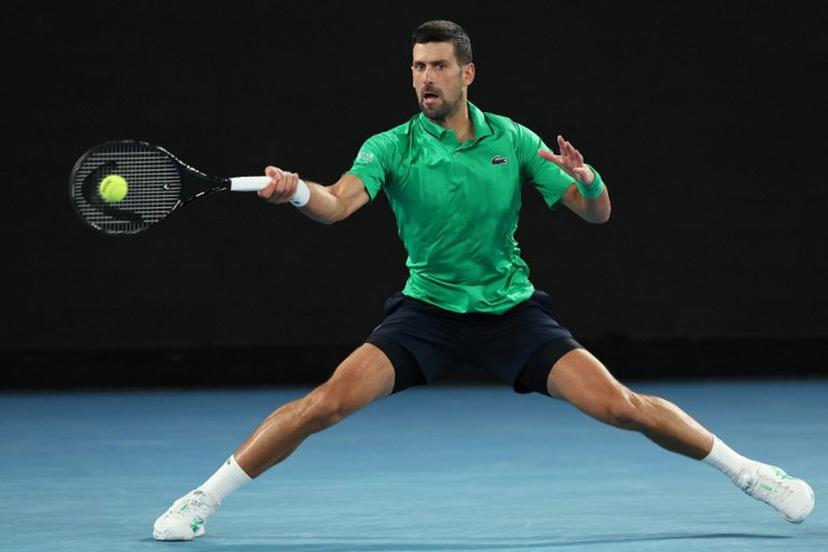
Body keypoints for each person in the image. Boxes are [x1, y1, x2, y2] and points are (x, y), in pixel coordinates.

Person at [152, 20, 814, 541]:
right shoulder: (390, 146)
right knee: (325, 404)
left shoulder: (514, 140)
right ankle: (202, 498)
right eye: (418, 67)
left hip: (510, 314)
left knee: (620, 406)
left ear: (466, 73)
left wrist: (588, 180)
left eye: (439, 66)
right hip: (427, 315)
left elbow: (596, 213)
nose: (426, 78)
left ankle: (752, 473)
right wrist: (297, 193)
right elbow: (338, 203)